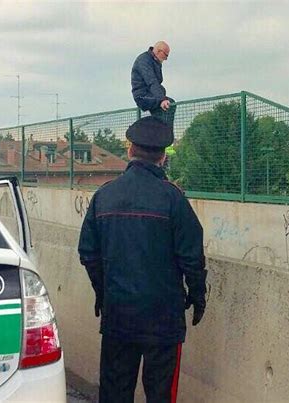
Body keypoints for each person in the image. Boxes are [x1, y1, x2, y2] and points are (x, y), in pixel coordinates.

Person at [78, 116, 207, 403]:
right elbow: (192, 258)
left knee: (114, 391)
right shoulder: (173, 199)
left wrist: (104, 293)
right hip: (164, 318)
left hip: (119, 315)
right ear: (162, 156)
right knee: (160, 393)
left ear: (129, 151)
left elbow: (88, 253)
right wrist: (198, 297)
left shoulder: (105, 195)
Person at [131, 41, 176, 127]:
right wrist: (162, 99)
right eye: (166, 55)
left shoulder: (155, 61)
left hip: (151, 95)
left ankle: (158, 133)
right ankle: (165, 135)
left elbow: (158, 82)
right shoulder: (144, 60)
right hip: (142, 96)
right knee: (169, 104)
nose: (166, 58)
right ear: (159, 51)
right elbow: (152, 81)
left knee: (162, 111)